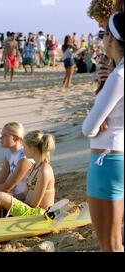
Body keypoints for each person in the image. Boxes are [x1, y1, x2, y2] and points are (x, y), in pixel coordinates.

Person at [82, 12, 124, 252]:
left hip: (105, 160)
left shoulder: (118, 76)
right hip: (119, 156)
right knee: (116, 240)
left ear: (111, 38)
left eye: (103, 33)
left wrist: (97, 119)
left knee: (110, 245)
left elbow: (89, 128)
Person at [0, 130, 56, 221]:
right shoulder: (35, 167)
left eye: (25, 146)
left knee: (0, 197)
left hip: (40, 213)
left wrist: (8, 200)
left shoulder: (44, 171)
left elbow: (34, 204)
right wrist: (8, 197)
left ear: (32, 148)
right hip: (29, 207)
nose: (23, 149)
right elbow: (24, 194)